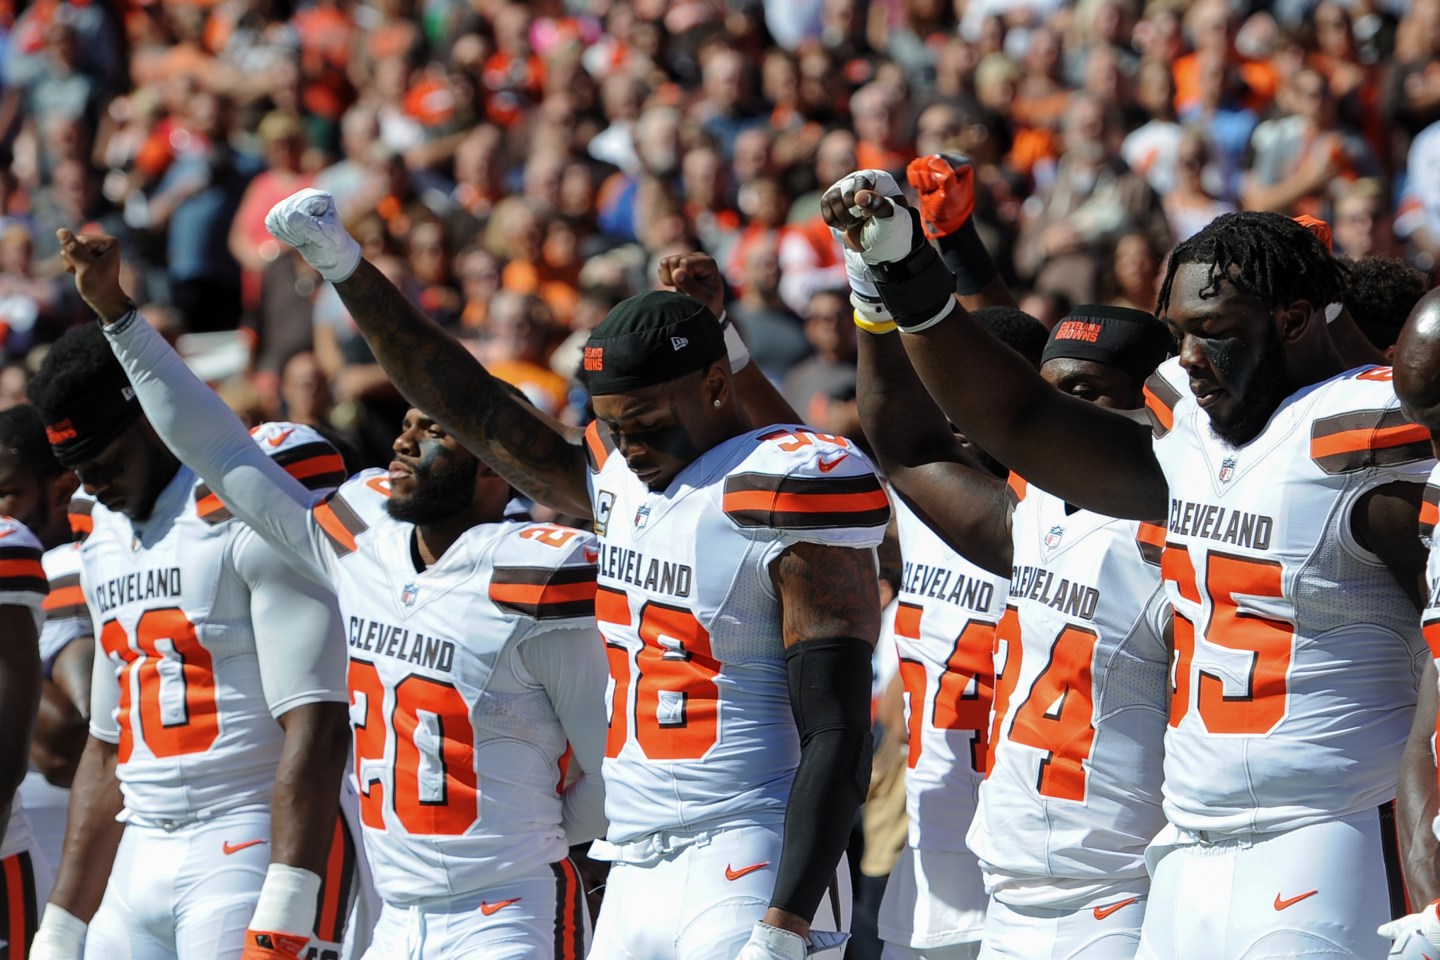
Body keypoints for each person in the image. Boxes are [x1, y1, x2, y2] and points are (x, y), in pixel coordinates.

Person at [264, 187, 889, 960]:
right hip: (632, 862)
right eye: (615, 427)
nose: (627, 448)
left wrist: (786, 922)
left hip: (749, 849)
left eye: (648, 425)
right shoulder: (617, 475)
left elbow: (838, 729)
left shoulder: (790, 482)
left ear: (717, 385)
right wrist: (345, 266)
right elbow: (468, 403)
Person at [824, 176, 1433, 958]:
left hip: (1331, 832)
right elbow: (1019, 418)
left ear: (1290, 319)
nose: (1187, 356)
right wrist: (906, 273)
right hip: (1187, 848)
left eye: (1213, 329)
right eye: (1177, 329)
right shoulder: (1187, 429)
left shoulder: (1367, 437)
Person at [59, 227, 611, 959]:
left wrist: (525, 835)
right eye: (405, 426)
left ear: (494, 466)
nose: (403, 444)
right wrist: (120, 318)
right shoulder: (364, 546)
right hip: (394, 917)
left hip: (505, 910)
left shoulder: (538, 572)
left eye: (432, 431)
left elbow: (606, 776)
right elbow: (219, 449)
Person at [851, 161, 1172, 960]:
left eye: (1086, 400)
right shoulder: (1023, 512)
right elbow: (932, 431)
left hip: (1122, 878)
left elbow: (1018, 386)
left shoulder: (1178, 530)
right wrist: (888, 276)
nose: (1056, 417)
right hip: (989, 851)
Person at [24, 317, 369, 960]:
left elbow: (319, 717)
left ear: (154, 418)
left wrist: (287, 905)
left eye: (105, 462)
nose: (94, 486)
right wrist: (61, 928)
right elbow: (106, 747)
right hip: (140, 846)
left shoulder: (244, 492)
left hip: (246, 831)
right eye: (79, 471)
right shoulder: (96, 523)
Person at [0, 405, 91, 889]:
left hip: (66, 874)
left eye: (5, 493)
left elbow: (70, 742)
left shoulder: (70, 567)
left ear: (60, 490)